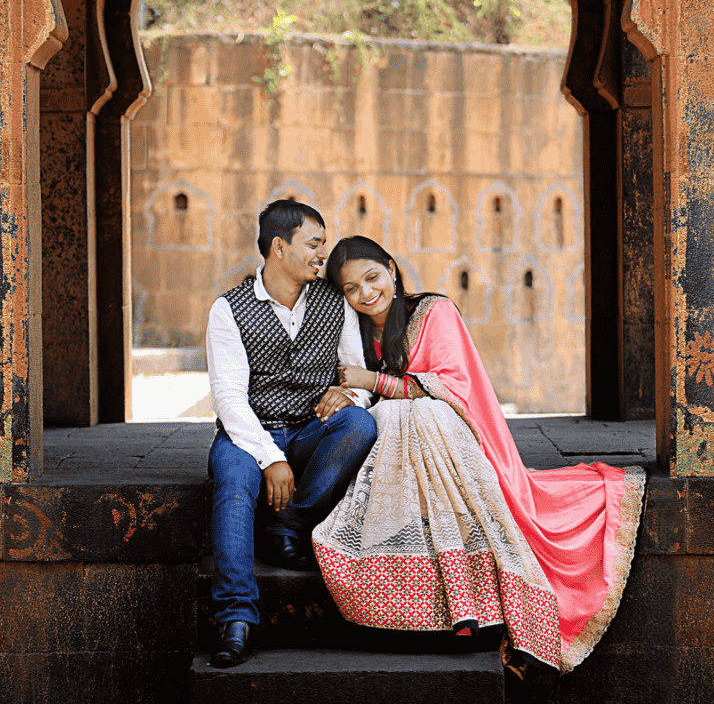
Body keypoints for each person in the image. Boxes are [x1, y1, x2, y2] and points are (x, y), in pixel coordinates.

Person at [313, 235, 646, 674]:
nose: (365, 294)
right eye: (350, 288)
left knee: (417, 417)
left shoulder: (434, 312)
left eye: (371, 277)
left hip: (454, 435)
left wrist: (370, 382)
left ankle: (473, 601)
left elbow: (451, 389)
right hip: (403, 455)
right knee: (398, 420)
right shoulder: (353, 330)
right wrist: (348, 392)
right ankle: (419, 606)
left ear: (391, 269)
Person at [206, 202, 377, 669]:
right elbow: (229, 399)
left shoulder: (332, 301)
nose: (323, 254)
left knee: (359, 424)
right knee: (233, 485)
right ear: (279, 247)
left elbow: (352, 374)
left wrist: (349, 397)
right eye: (314, 243)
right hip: (247, 435)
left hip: (309, 432)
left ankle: (290, 523)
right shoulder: (228, 309)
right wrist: (268, 457)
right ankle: (236, 617)